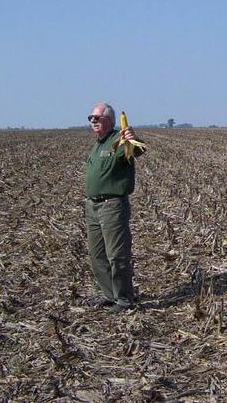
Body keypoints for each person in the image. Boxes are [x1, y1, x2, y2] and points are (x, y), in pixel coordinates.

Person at [85, 102, 146, 313]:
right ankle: (110, 295)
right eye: (90, 118)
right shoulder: (97, 144)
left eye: (96, 118)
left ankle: (124, 299)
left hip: (112, 206)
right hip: (93, 207)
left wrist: (132, 137)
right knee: (97, 255)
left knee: (117, 255)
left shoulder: (118, 140)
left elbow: (138, 150)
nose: (93, 121)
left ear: (109, 120)